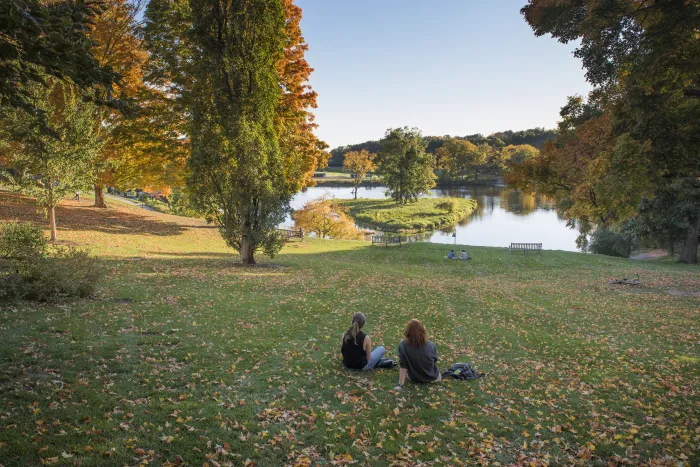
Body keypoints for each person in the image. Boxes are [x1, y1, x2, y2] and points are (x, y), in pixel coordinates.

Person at [395, 319, 441, 390]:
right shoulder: (431, 345)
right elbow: (434, 360)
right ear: (422, 330)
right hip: (432, 378)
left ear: (408, 331)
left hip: (413, 378)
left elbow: (403, 365)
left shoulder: (403, 345)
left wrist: (400, 385)